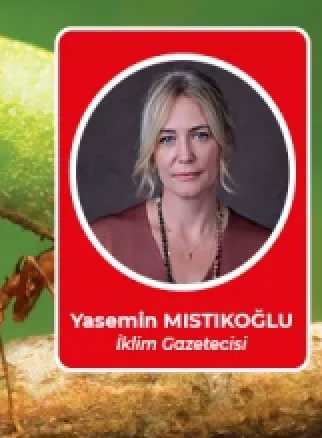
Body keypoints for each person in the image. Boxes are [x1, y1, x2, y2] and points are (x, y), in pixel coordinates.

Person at [89, 69, 271, 284]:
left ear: (225, 143)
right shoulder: (104, 241)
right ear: (152, 151)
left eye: (201, 135)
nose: (185, 155)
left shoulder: (263, 246)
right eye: (167, 139)